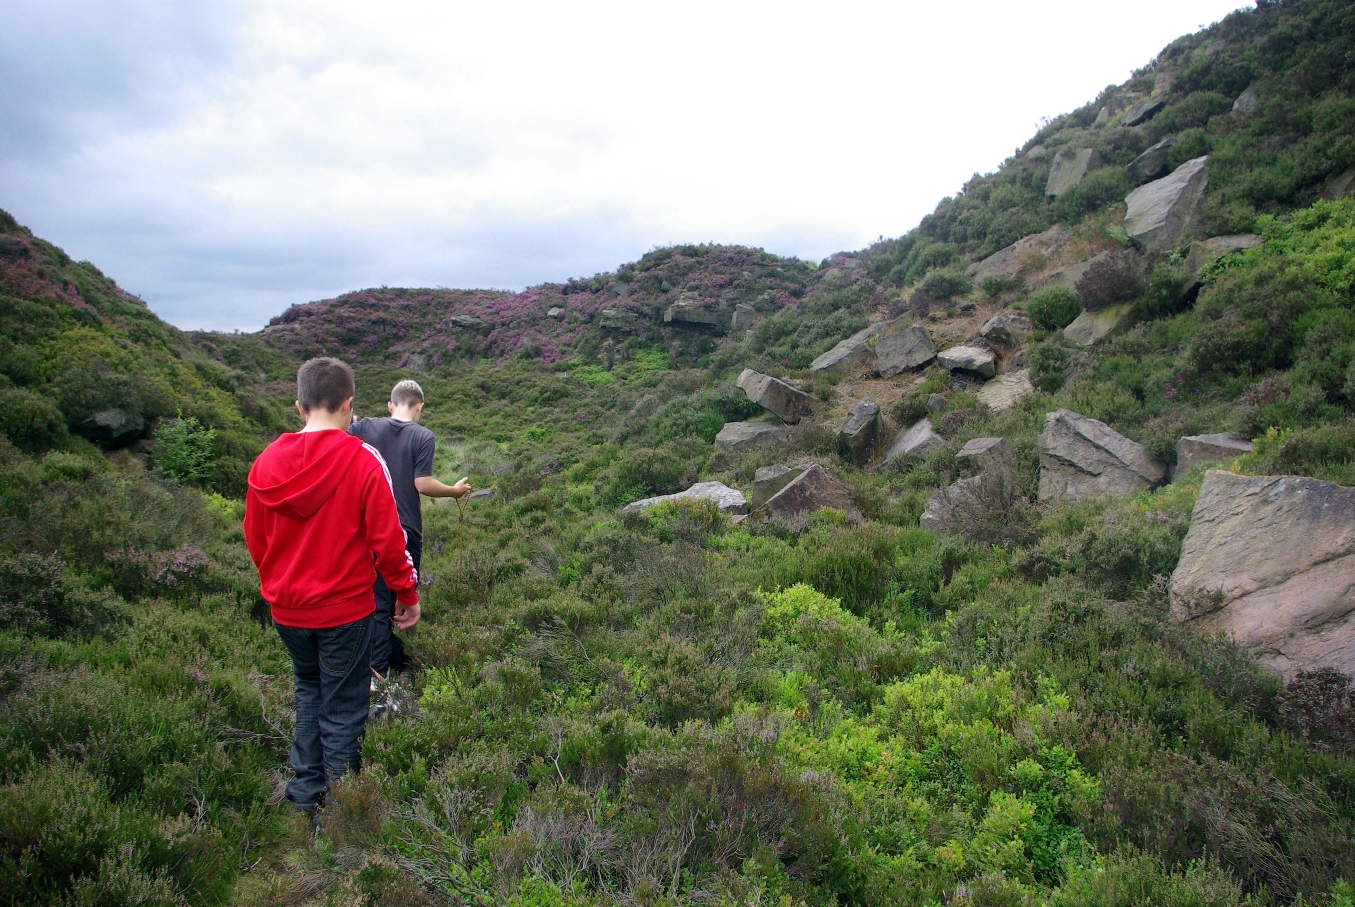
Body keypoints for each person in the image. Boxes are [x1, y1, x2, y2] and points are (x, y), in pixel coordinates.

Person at [244, 357, 419, 818]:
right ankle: (338, 811)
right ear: (348, 405)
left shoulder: (265, 464)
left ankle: (305, 795)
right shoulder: (362, 460)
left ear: (299, 407)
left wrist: (278, 585)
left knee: (308, 690)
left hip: (287, 611)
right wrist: (407, 593)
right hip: (346, 612)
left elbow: (256, 540)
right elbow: (389, 539)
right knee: (343, 705)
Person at [349, 379, 470, 681]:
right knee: (402, 598)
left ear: (390, 405)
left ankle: (382, 667)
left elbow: (341, 428)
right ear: (420, 407)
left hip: (366, 528)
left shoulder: (366, 428)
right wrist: (455, 491)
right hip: (405, 530)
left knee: (376, 600)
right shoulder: (422, 435)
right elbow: (422, 484)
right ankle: (392, 669)